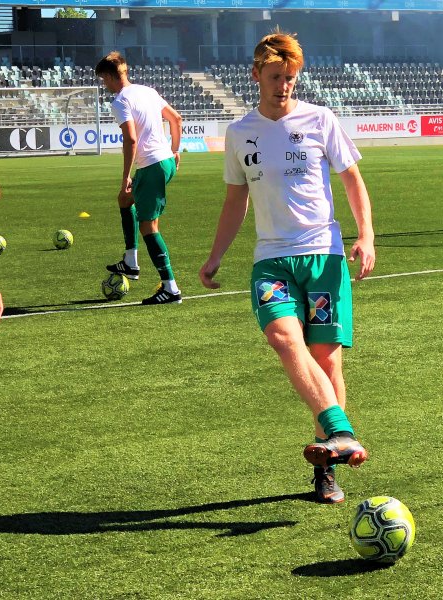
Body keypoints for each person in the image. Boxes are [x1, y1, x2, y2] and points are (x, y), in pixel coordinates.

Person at [199, 32, 375, 504]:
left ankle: (328, 466)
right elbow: (235, 199)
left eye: (290, 78)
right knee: (282, 338)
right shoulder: (240, 133)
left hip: (324, 254)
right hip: (271, 259)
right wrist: (216, 255)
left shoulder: (320, 119)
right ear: (256, 75)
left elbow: (351, 178)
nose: (284, 86)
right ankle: (340, 430)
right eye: (276, 78)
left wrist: (366, 234)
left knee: (326, 359)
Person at [95, 51, 184, 305]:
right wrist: (175, 150)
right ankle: (130, 261)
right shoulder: (147, 91)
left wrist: (125, 176)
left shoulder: (121, 101)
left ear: (112, 76)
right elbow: (176, 120)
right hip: (163, 161)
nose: (105, 85)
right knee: (125, 200)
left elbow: (131, 139)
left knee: (149, 226)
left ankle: (171, 288)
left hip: (152, 165)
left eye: (104, 80)